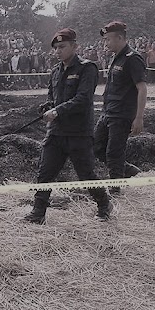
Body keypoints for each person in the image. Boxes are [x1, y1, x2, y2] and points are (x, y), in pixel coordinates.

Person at [24, 28, 112, 224]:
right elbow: (51, 96)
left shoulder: (87, 68)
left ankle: (104, 204)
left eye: (62, 47)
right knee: (45, 171)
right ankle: (38, 213)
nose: (58, 51)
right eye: (55, 48)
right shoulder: (55, 71)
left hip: (79, 132)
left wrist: (57, 111)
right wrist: (48, 106)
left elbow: (83, 99)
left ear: (75, 46)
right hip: (56, 132)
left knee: (86, 174)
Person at [94, 21, 146, 192]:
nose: (105, 43)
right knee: (96, 147)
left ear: (120, 38)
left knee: (114, 153)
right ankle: (130, 171)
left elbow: (141, 88)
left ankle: (115, 189)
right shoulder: (115, 57)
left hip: (122, 114)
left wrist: (138, 118)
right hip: (108, 111)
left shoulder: (133, 58)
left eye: (108, 39)